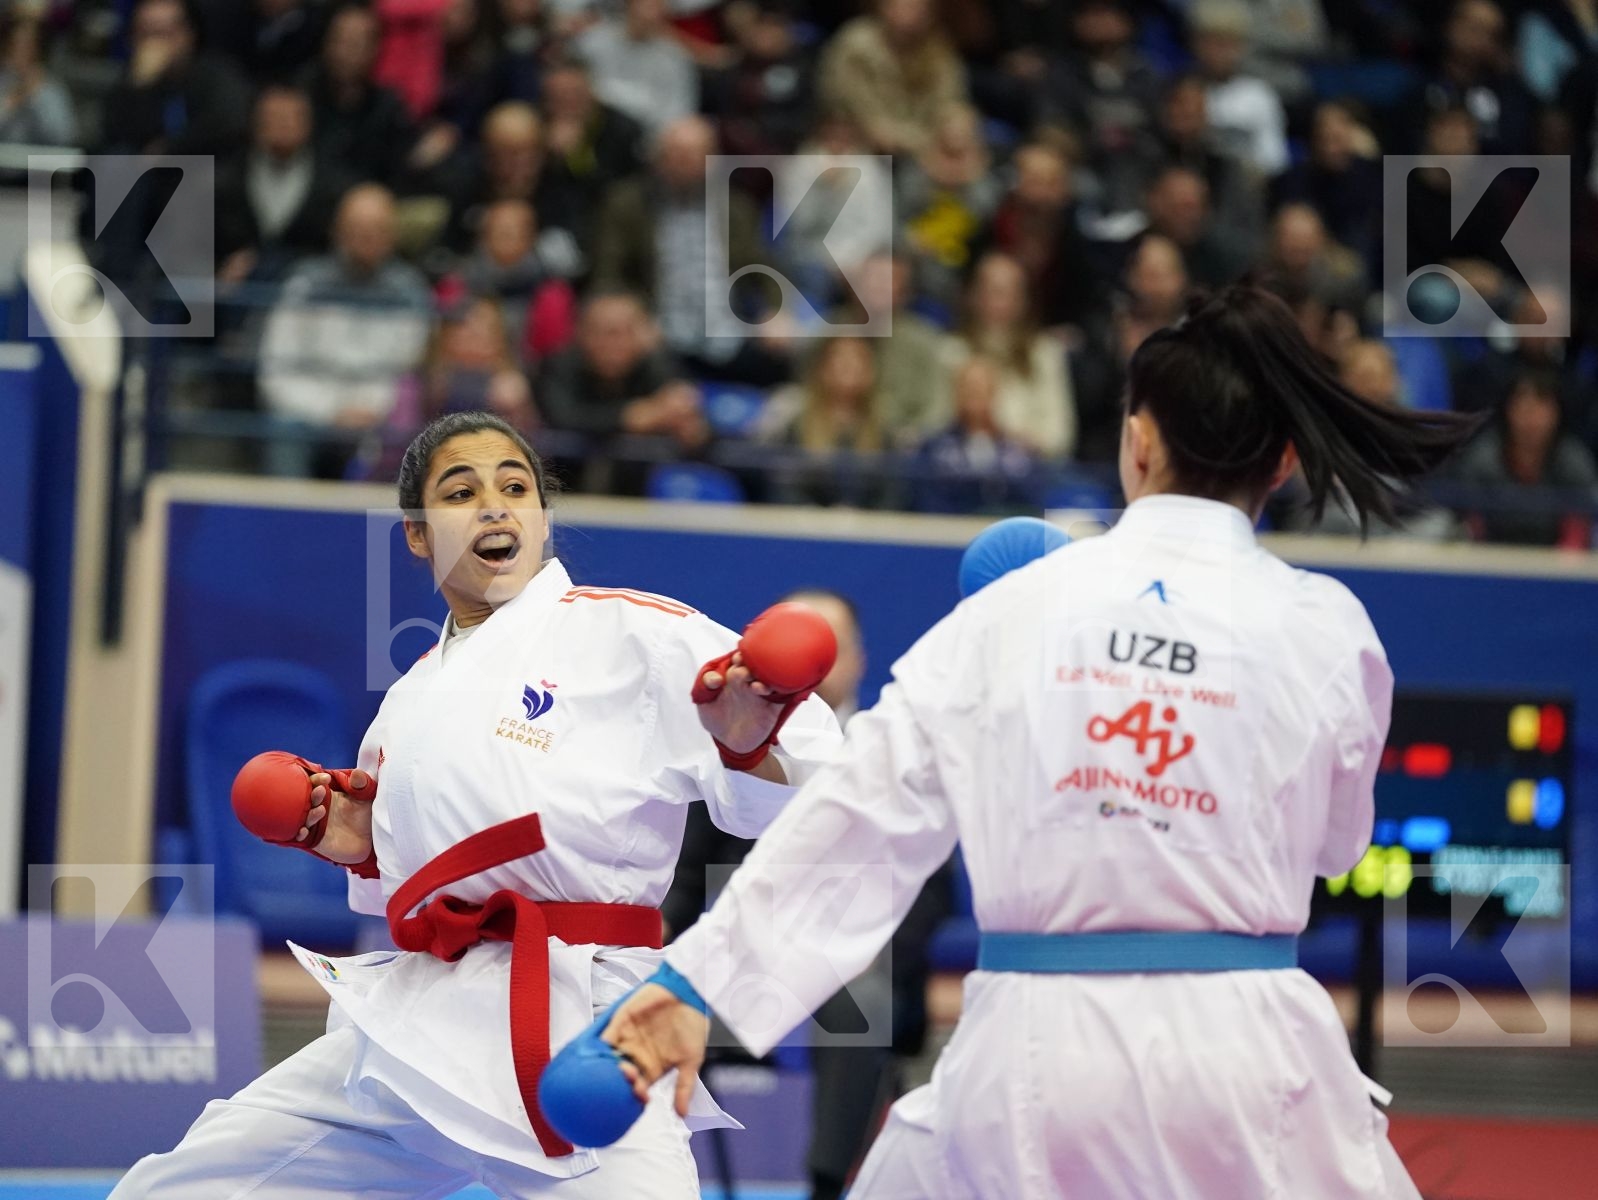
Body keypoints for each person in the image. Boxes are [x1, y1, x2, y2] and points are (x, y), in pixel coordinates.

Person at [591, 284, 1480, 1198]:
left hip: (1037, 1054)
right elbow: (1338, 846)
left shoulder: (1015, 610)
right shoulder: (1329, 627)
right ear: (1286, 462)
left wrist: (693, 991)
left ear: (1138, 439)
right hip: (1249, 1047)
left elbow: (863, 819)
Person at [112, 410, 843, 1198]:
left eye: (515, 487)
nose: (495, 506)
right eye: (461, 492)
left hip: (578, 1013)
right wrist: (347, 835)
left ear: (541, 517)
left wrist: (747, 742)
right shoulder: (410, 698)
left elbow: (818, 791)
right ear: (419, 535)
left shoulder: (631, 632)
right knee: (189, 1186)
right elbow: (397, 877)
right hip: (423, 1016)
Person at [257, 184, 434, 477]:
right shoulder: (304, 285)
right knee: (282, 431)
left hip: (377, 418)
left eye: (377, 228)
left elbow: (406, 371)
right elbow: (276, 369)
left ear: (393, 235)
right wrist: (330, 413)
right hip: (309, 413)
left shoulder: (410, 292)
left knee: (410, 441)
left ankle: (388, 523)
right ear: (337, 231)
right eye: (357, 227)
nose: (367, 237)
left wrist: (368, 412)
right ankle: (287, 521)